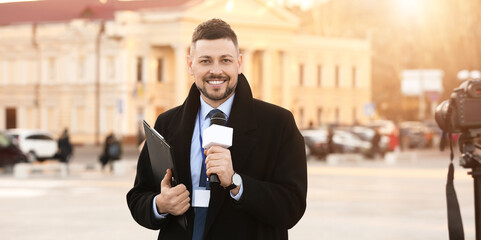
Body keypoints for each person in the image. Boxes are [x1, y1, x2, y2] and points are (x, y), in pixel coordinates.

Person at [126, 18, 307, 240]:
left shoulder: (278, 123)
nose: (216, 70)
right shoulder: (167, 122)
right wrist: (160, 204)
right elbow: (138, 196)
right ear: (190, 65)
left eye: (225, 60)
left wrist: (236, 182)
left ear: (239, 64)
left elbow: (292, 206)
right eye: (205, 61)